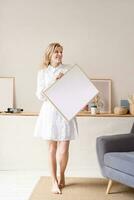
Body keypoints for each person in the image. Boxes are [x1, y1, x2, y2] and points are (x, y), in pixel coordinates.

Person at [34, 43, 78, 194]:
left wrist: (67, 82)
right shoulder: (43, 73)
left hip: (66, 111)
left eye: (61, 52)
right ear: (49, 54)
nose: (59, 54)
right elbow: (40, 95)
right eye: (56, 52)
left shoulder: (69, 69)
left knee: (64, 148)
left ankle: (62, 174)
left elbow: (75, 92)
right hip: (50, 113)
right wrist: (54, 80)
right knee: (52, 149)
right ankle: (53, 181)